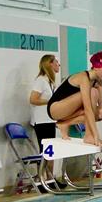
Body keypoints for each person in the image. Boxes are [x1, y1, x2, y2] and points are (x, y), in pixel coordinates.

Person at [47, 51, 102, 147]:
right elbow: (88, 109)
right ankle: (89, 136)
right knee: (93, 93)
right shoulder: (84, 78)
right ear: (96, 67)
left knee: (100, 113)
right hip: (55, 108)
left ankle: (64, 124)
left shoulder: (98, 82)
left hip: (68, 112)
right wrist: (95, 136)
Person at [29, 54, 64, 186]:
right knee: (45, 152)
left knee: (51, 151)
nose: (58, 65)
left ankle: (51, 179)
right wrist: (51, 101)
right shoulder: (41, 81)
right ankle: (44, 180)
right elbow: (33, 99)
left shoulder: (50, 81)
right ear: (49, 64)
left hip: (49, 121)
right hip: (41, 122)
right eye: (56, 62)